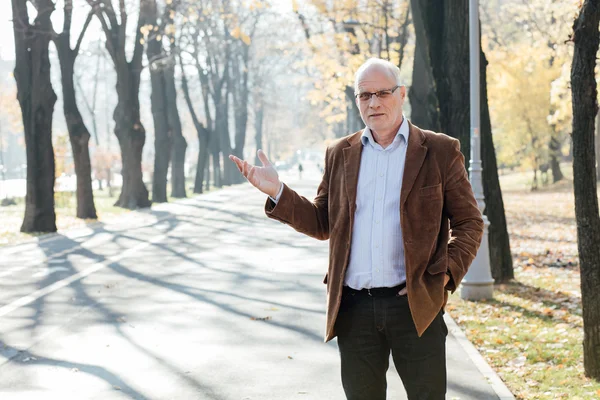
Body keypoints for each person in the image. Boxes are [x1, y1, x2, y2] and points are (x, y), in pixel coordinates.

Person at [229, 58, 484, 400]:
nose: (374, 103)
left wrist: (443, 277)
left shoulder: (438, 150)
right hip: (354, 310)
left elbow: (469, 223)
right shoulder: (340, 153)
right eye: (365, 96)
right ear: (357, 101)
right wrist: (278, 192)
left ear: (402, 94)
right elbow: (323, 222)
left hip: (415, 306)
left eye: (383, 93)